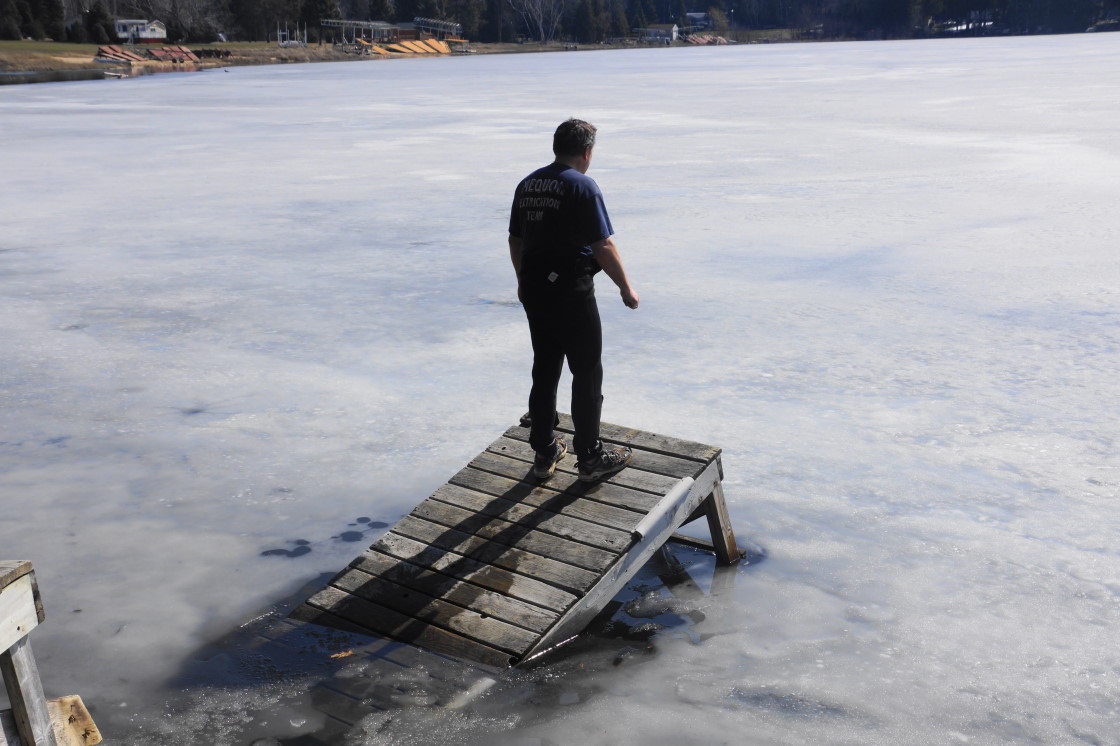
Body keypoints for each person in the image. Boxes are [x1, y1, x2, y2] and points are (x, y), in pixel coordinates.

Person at [508, 119, 640, 483]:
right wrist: (626, 289)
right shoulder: (583, 186)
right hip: (571, 291)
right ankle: (590, 457)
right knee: (586, 372)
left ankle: (545, 450)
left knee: (546, 367)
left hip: (534, 289)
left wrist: (522, 280)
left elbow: (515, 241)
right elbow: (603, 245)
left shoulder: (528, 184)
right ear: (587, 151)